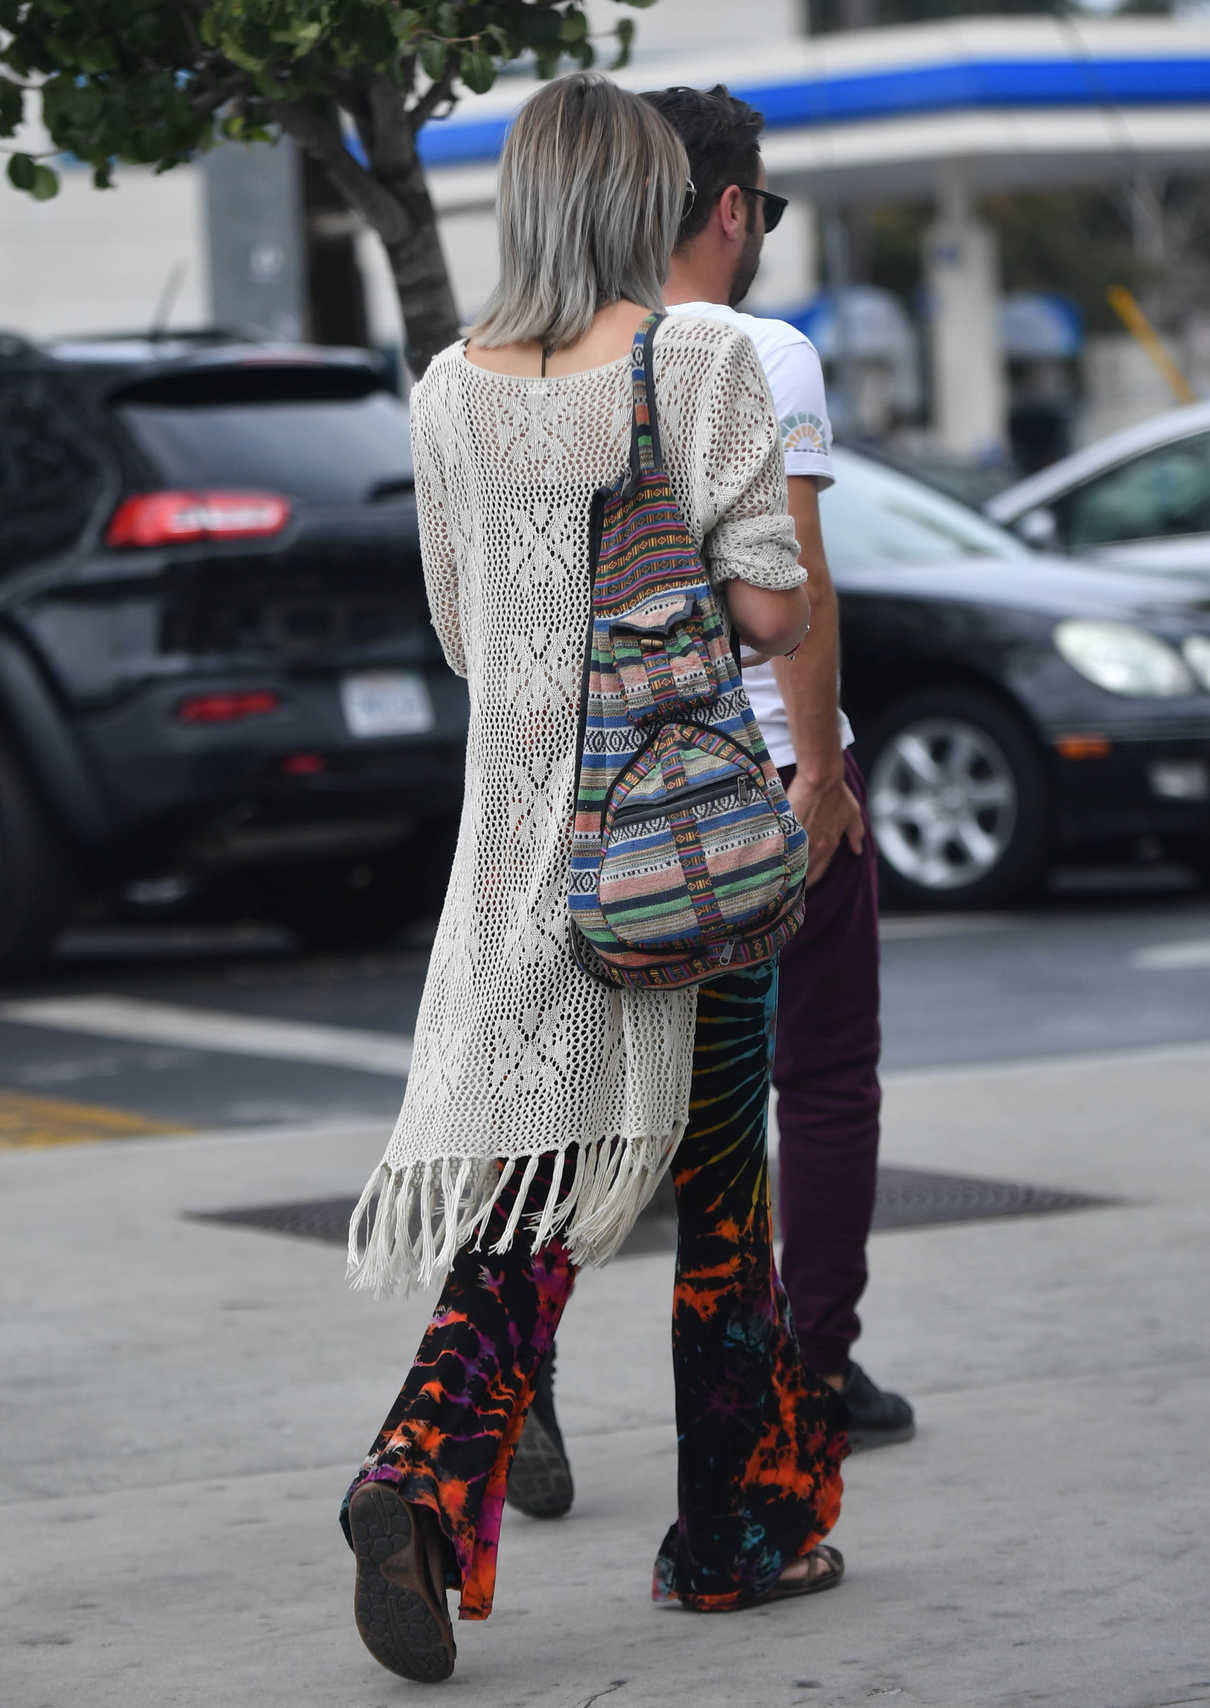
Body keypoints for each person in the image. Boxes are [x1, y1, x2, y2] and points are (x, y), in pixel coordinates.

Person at [339, 72, 847, 1685]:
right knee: (718, 1203)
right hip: (674, 842)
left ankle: (418, 1480)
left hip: (520, 851)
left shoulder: (442, 389)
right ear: (640, 201)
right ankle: (731, 1539)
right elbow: (772, 615)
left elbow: (464, 632)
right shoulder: (691, 356)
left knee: (537, 1190)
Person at [508, 84, 913, 1527]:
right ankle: (807, 1374)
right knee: (812, 1082)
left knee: (582, 1111)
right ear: (730, 210)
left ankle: (516, 1383)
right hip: (736, 800)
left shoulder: (537, 358)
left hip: (586, 802)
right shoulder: (755, 349)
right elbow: (789, 589)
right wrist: (818, 778)